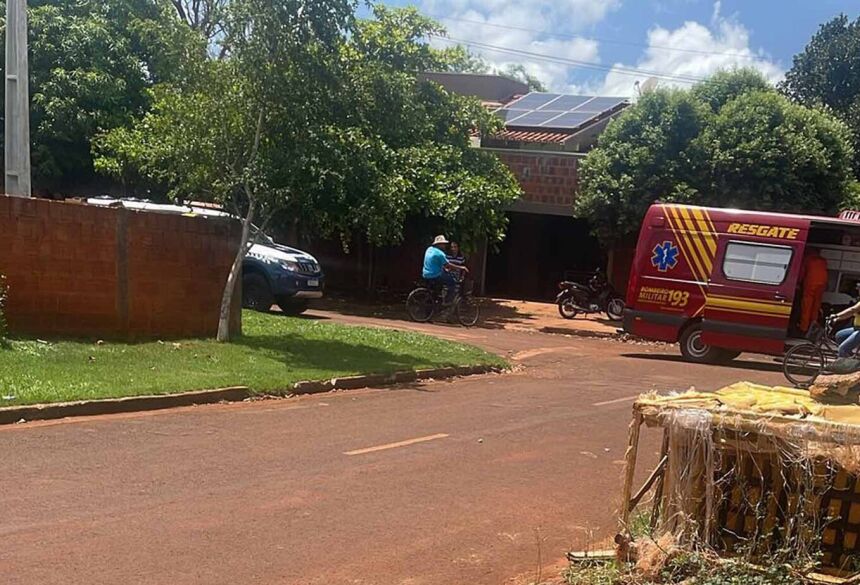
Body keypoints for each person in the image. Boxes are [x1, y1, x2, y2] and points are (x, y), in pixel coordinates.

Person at [422, 235, 468, 302]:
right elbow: (448, 265)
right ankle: (447, 301)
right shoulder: (440, 254)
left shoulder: (429, 249)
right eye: (443, 244)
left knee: (437, 288)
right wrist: (461, 268)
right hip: (435, 275)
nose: (444, 246)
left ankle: (436, 301)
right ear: (439, 244)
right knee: (452, 283)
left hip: (425, 274)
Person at [799, 248, 829, 333]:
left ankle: (803, 328)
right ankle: (813, 326)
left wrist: (798, 282)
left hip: (810, 283)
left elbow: (802, 272)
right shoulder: (823, 261)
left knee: (807, 306)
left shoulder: (808, 259)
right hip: (822, 284)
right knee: (816, 306)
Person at [829, 282, 860, 357]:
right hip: (856, 328)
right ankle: (849, 358)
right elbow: (850, 314)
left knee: (842, 349)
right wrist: (837, 319)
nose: (858, 290)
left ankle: (844, 366)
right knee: (839, 335)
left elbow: (852, 310)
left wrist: (836, 315)